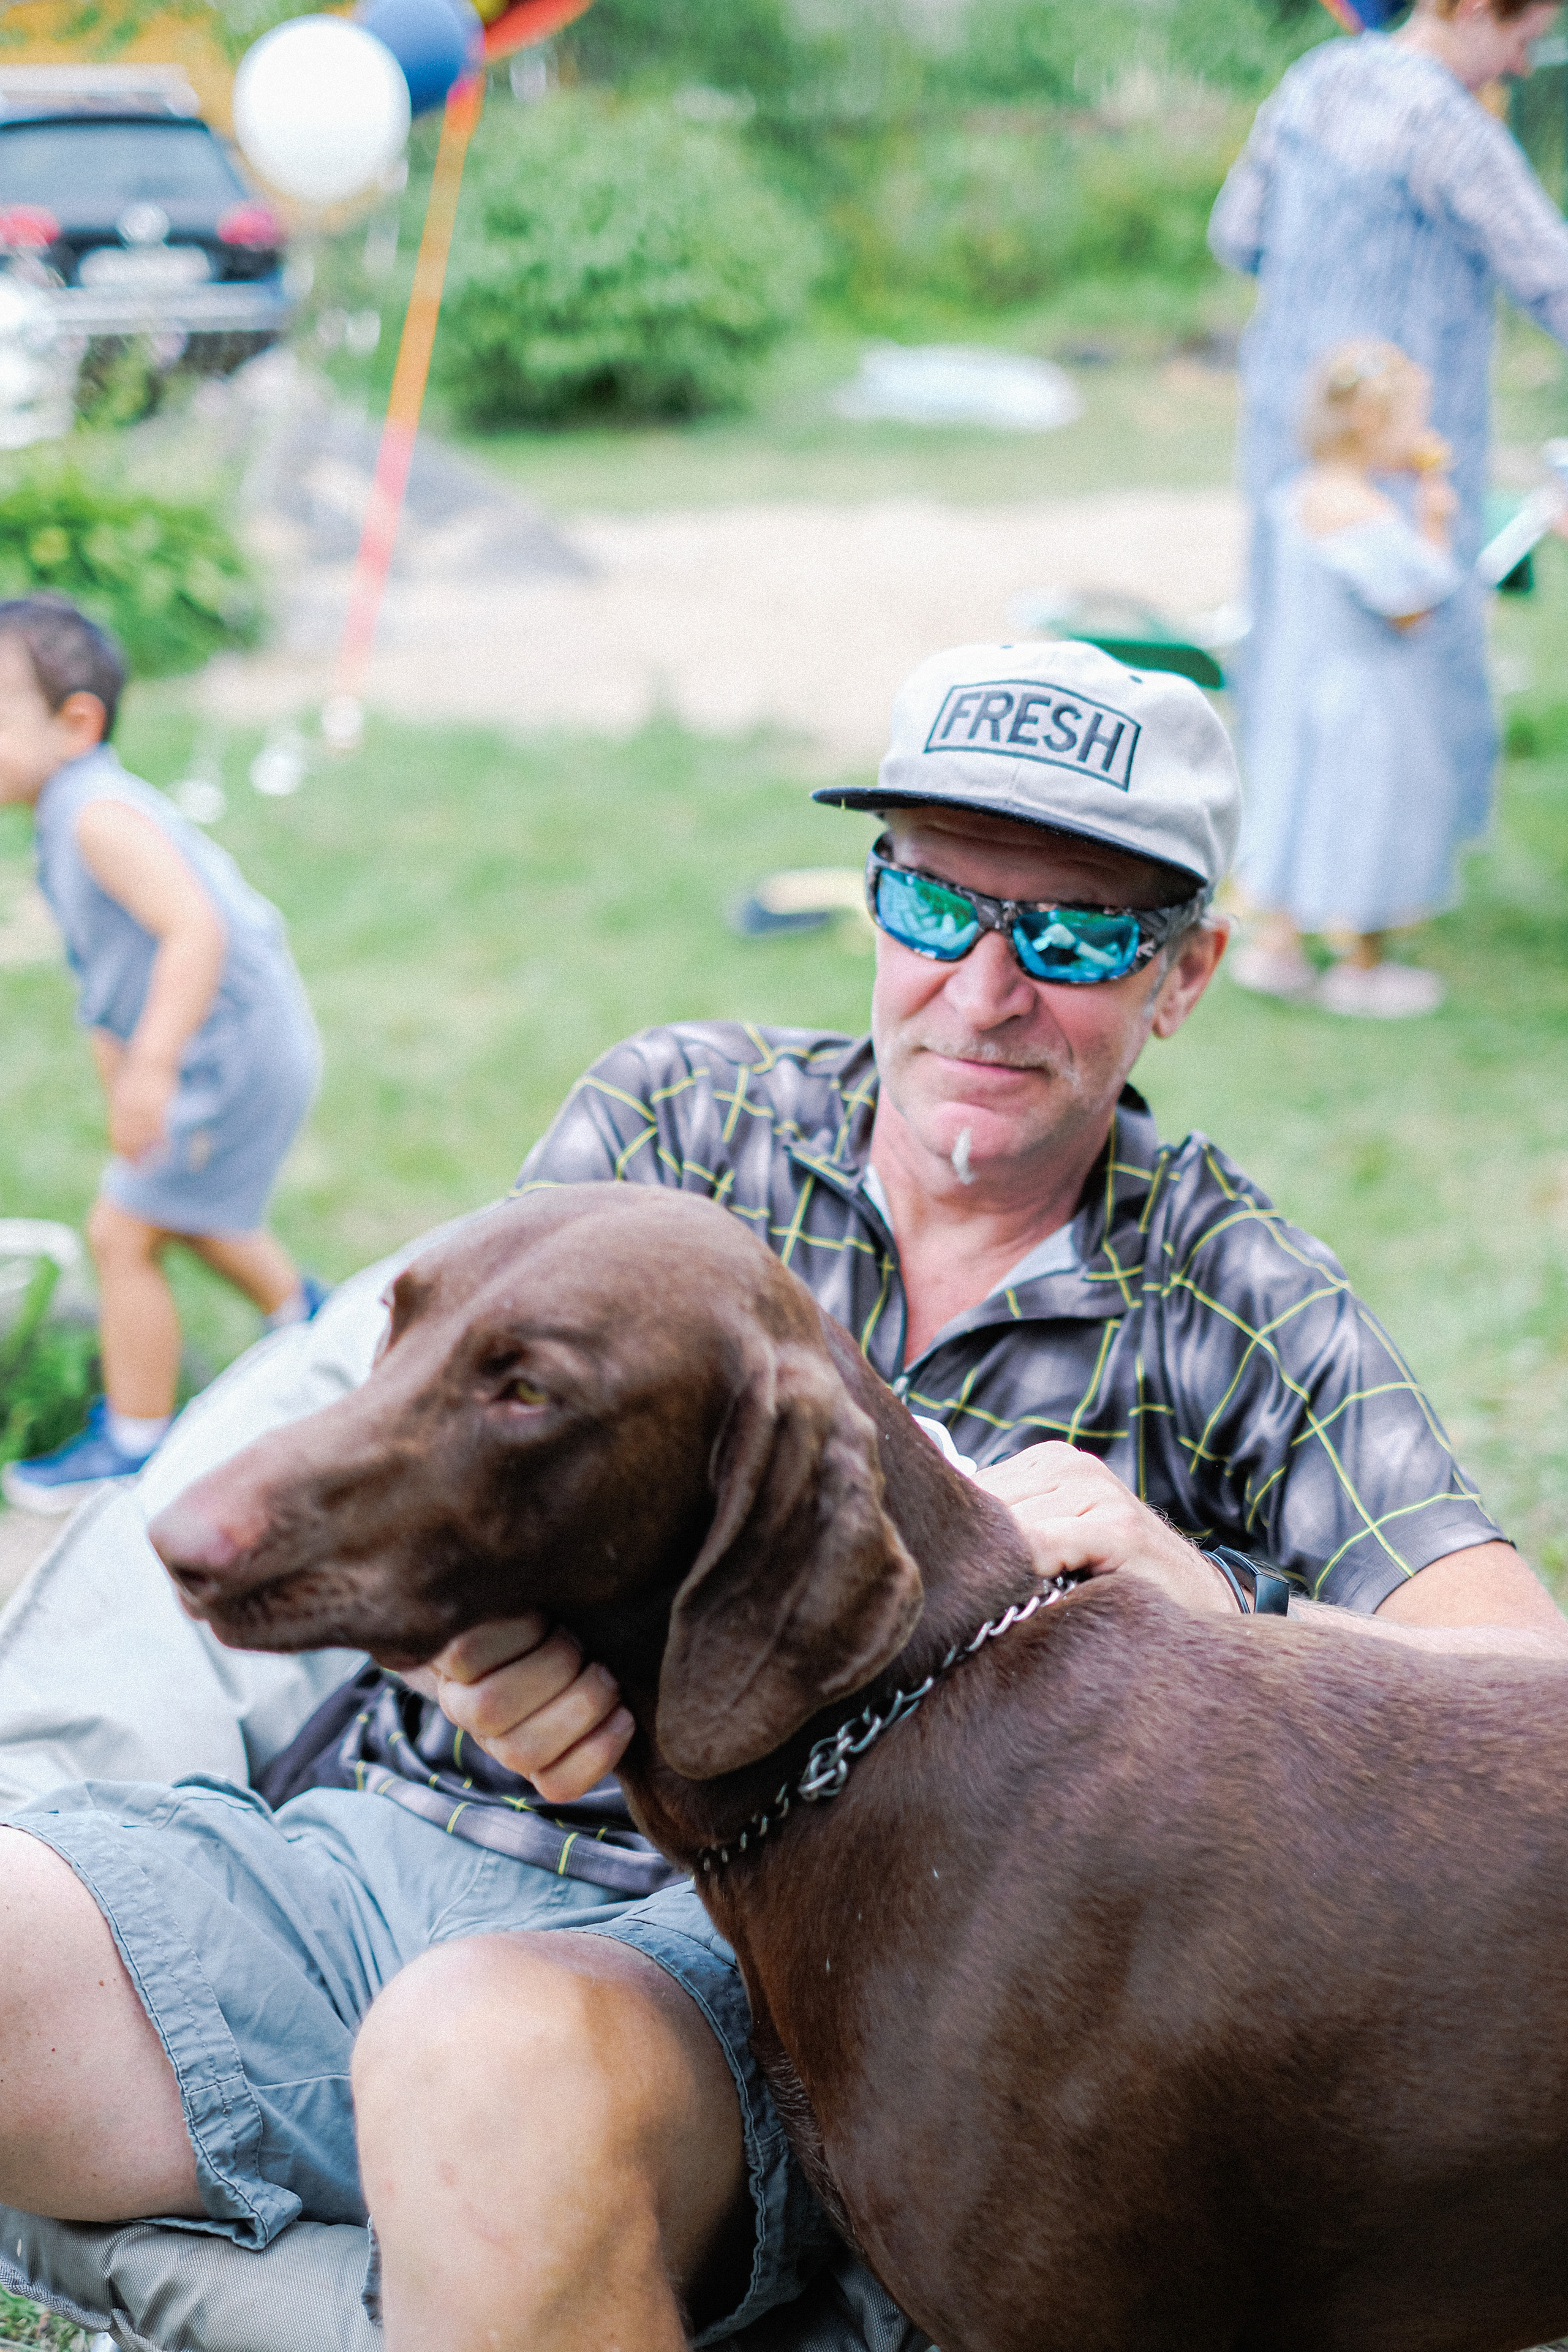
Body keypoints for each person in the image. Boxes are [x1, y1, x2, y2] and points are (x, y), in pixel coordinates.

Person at [2, 642, 1562, 2352]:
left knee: (477, 2058)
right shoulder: (681, 1115)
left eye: (1072, 933)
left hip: (775, 1969)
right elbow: (437, 1445)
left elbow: (1506, 1711)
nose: (983, 988)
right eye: (934, 901)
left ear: (1184, 975)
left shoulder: (1233, 1293)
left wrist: (1197, 1598)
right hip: (391, 1853)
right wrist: (466, 1666)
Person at [1209, 0, 1568, 997]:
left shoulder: (1311, 84)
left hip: (1292, 436)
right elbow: (1552, 275)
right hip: (1401, 451)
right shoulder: (1446, 124)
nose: (1526, 61)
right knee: (1388, 698)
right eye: (1523, 34)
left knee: (1292, 666)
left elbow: (1236, 234)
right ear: (1467, 8)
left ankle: (1277, 909)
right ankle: (1361, 928)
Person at [0, 595, 325, 1514]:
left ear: (77, 722)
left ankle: (136, 1448)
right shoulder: (66, 812)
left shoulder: (96, 816)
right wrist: (123, 1072)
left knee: (123, 1231)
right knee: (188, 1211)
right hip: (228, 1048)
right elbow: (111, 968)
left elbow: (194, 930)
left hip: (226, 1055)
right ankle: (321, 1325)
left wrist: (154, 1069)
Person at [1231, 337, 1466, 1016]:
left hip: (1298, 684)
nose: (1424, 436)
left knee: (1299, 805)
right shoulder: (1367, 512)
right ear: (1370, 422)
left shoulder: (1297, 493)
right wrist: (1435, 524)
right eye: (1414, 421)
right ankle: (1362, 966)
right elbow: (1413, 606)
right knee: (1368, 813)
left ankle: (1278, 946)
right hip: (1365, 696)